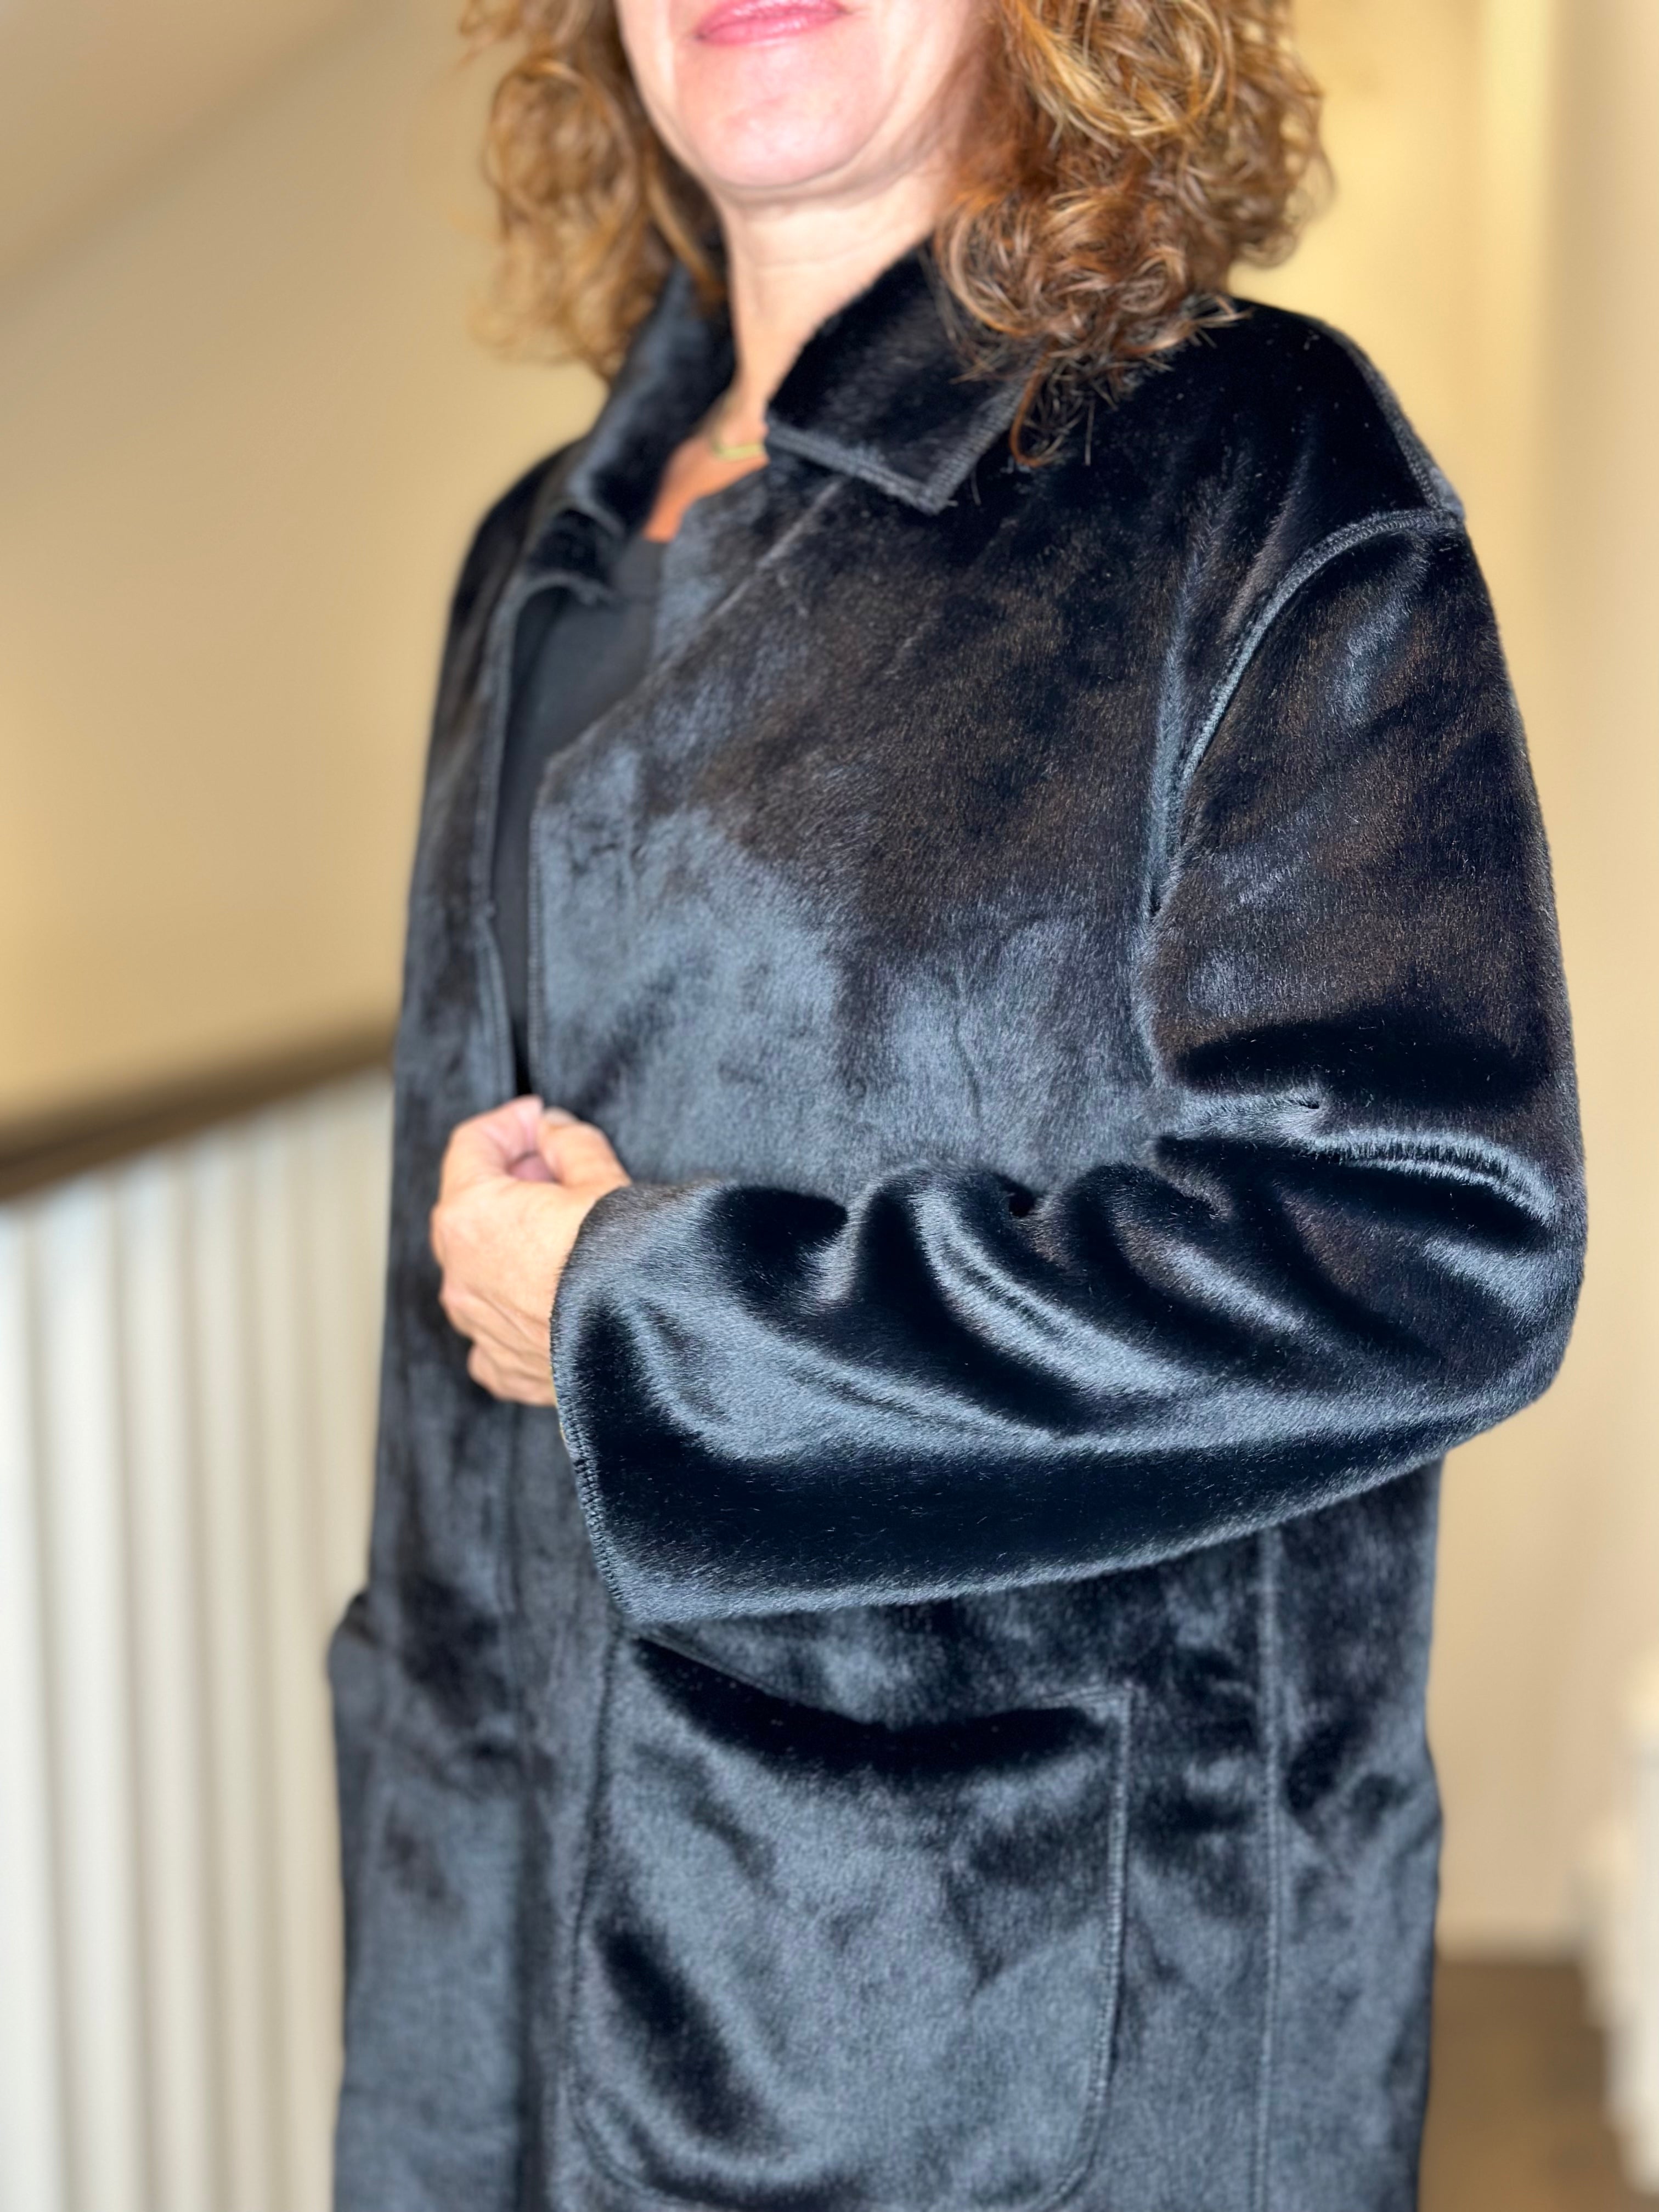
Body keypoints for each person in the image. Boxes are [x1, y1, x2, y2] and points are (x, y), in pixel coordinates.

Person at [328, 1, 1586, 2207]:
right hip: (522, 1986)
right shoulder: (537, 551)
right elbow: (456, 1425)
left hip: (1031, 2058)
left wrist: (661, 1321)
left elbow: (1426, 1244)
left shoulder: (1254, 466)